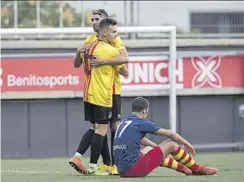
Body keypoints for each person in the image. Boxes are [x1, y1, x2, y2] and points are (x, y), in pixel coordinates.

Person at [69, 10, 128, 176]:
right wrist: (77, 52)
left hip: (109, 90)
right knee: (101, 127)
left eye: (98, 19)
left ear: (104, 22)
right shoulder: (91, 41)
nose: (94, 21)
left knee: (105, 126)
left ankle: (111, 163)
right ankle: (102, 164)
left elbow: (123, 65)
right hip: (102, 91)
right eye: (93, 19)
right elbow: (125, 65)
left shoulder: (113, 39)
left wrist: (104, 62)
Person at [113, 97, 218, 177]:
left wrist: (158, 149)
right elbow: (170, 134)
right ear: (144, 111)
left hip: (122, 171)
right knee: (171, 144)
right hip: (133, 170)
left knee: (150, 149)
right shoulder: (140, 123)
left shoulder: (125, 122)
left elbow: (141, 140)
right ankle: (197, 169)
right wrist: (186, 143)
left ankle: (184, 168)